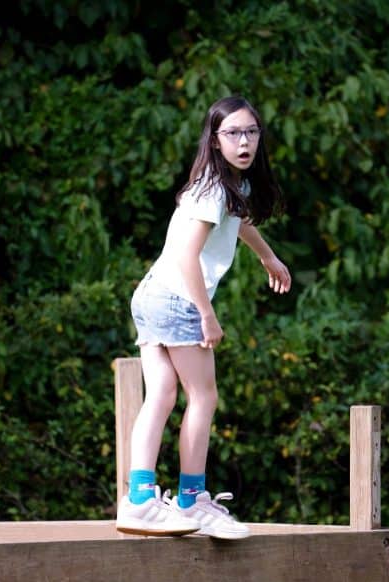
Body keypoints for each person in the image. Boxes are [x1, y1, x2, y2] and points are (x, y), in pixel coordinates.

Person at [115, 95, 291, 539]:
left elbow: (242, 223)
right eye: (233, 133)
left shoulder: (229, 186)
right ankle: (191, 498)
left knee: (162, 396)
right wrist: (206, 315)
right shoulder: (213, 189)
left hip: (152, 296)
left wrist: (269, 259)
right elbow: (187, 257)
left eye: (251, 132)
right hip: (178, 299)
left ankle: (139, 499)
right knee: (204, 396)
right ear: (215, 141)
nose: (244, 141)